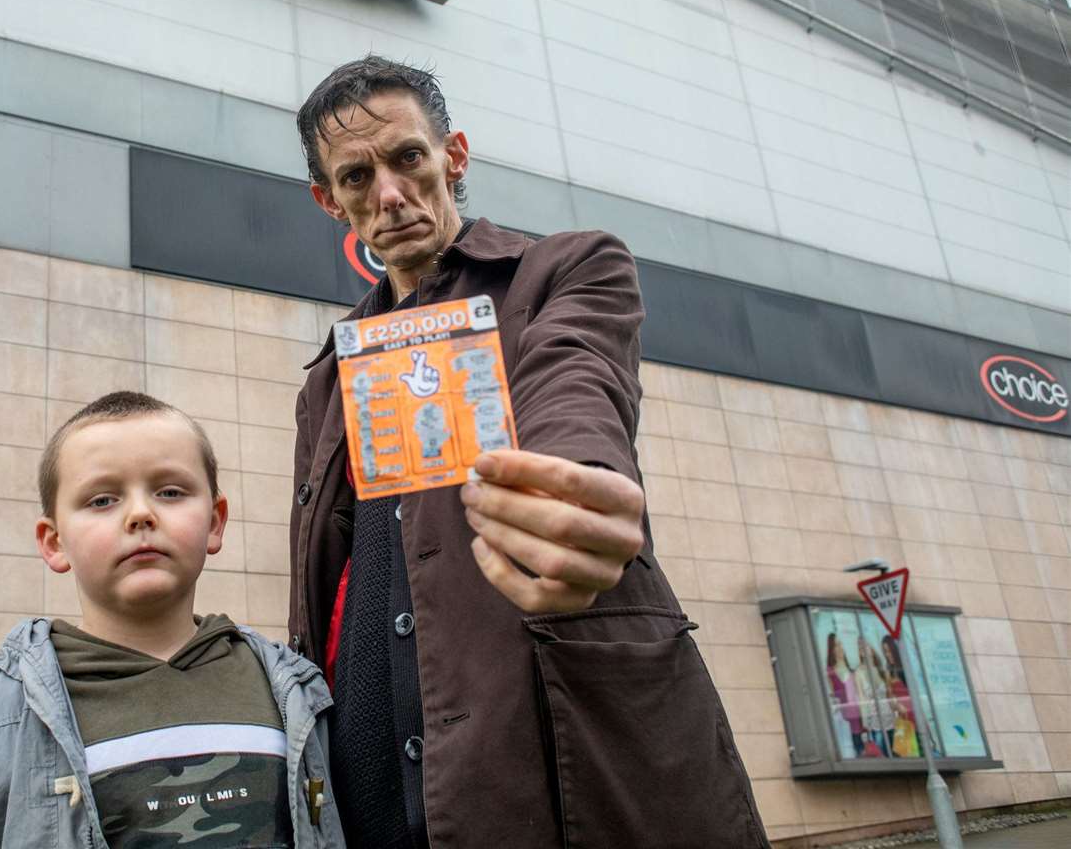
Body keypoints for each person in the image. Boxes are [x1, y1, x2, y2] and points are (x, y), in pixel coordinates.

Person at [288, 56, 768, 848]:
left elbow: (578, 381)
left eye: (408, 158)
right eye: (356, 176)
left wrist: (577, 489)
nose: (391, 194)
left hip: (543, 757)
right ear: (329, 200)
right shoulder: (330, 375)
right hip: (370, 778)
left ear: (455, 156)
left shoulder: (561, 270)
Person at [0, 391, 346, 848]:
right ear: (54, 542)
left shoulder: (295, 694)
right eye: (102, 500)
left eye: (170, 492)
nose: (141, 514)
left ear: (215, 522)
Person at [826, 632, 865, 758]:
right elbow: (832, 697)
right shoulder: (830, 672)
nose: (840, 648)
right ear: (831, 650)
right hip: (844, 722)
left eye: (841, 644)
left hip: (858, 718)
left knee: (862, 750)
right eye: (836, 645)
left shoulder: (851, 670)